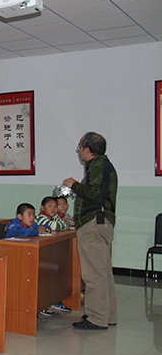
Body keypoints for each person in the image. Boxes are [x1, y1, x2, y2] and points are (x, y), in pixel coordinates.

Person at [63, 132, 118, 330]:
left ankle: (97, 318)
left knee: (94, 274)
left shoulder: (98, 166)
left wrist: (74, 185)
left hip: (93, 223)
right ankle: (107, 315)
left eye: (79, 147)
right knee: (103, 273)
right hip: (100, 222)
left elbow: (94, 195)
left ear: (88, 149)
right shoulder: (101, 165)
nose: (79, 151)